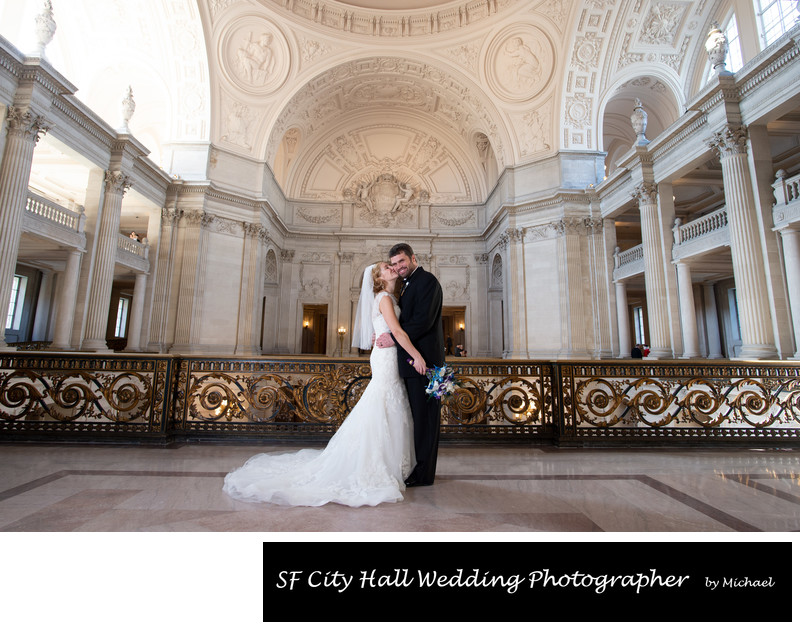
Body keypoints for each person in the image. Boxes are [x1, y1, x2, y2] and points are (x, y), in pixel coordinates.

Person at [223, 262, 426, 507]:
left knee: (387, 402)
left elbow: (391, 330)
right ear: (379, 278)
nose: (392, 267)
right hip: (386, 357)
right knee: (383, 401)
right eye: (386, 267)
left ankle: (388, 463)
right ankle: (374, 465)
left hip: (387, 355)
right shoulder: (384, 298)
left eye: (392, 265)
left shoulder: (389, 297)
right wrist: (417, 355)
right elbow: (397, 332)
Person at [376, 243, 444, 486]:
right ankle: (420, 468)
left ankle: (424, 475)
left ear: (413, 258)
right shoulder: (407, 285)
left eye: (401, 262)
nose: (398, 267)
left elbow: (423, 322)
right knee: (419, 419)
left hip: (427, 366)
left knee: (427, 420)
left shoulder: (427, 281)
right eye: (393, 264)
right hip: (416, 364)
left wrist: (392, 337)